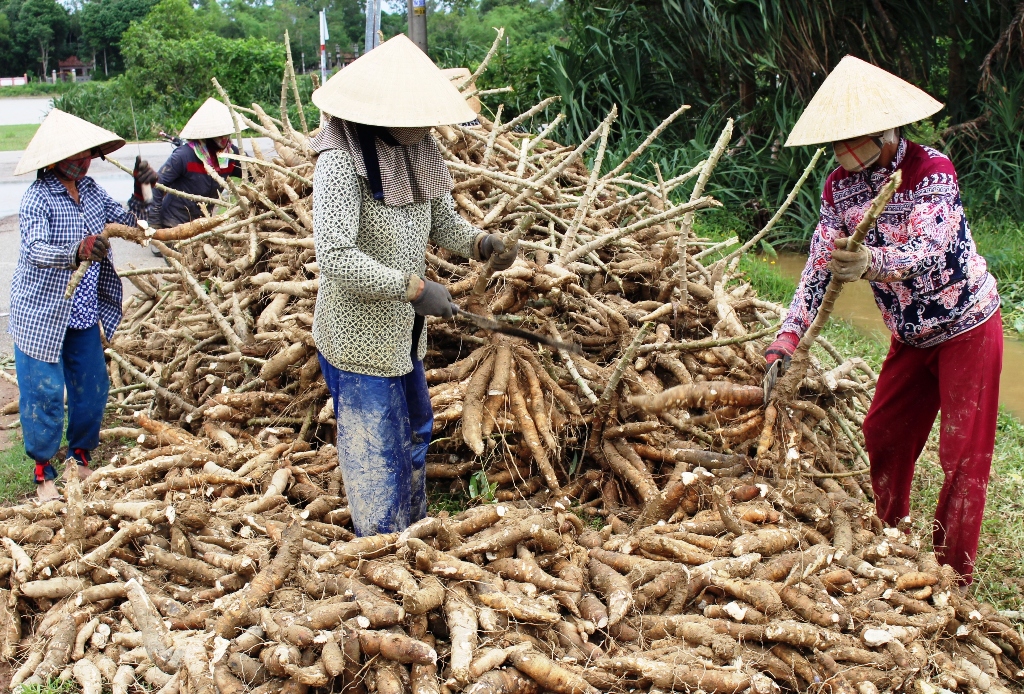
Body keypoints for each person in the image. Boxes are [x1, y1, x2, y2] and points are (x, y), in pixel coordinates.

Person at [770, 56, 1002, 584]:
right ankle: (892, 533)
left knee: (963, 456)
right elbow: (818, 267)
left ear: (886, 130)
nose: (844, 154)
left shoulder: (930, 172)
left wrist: (873, 264)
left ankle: (950, 576)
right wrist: (787, 338)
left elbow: (929, 247)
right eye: (837, 144)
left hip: (966, 325)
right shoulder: (838, 188)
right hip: (911, 336)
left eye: (856, 140)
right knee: (883, 434)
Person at [308, 34, 518, 536]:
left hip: (403, 339)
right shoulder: (341, 160)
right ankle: (380, 552)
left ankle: (414, 535)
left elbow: (443, 223)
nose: (428, 127)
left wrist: (483, 243)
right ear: (385, 111)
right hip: (357, 340)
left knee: (414, 434)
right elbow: (335, 255)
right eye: (418, 116)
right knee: (375, 455)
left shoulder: (418, 150)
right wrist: (414, 290)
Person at [10, 109, 156, 500]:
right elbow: (35, 249)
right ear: (55, 160)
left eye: (87, 154)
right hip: (42, 313)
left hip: (83, 313)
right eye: (74, 156)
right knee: (43, 394)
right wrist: (77, 251)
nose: (82, 162)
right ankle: (44, 474)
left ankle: (80, 457)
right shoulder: (37, 199)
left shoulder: (91, 192)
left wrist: (145, 191)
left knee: (92, 390)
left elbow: (131, 223)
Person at [145, 98, 242, 253]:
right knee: (182, 266)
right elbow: (157, 185)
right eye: (219, 135)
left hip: (203, 223)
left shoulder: (232, 155)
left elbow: (252, 173)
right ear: (206, 136)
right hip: (175, 222)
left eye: (227, 134)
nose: (224, 139)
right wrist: (155, 223)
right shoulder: (184, 156)